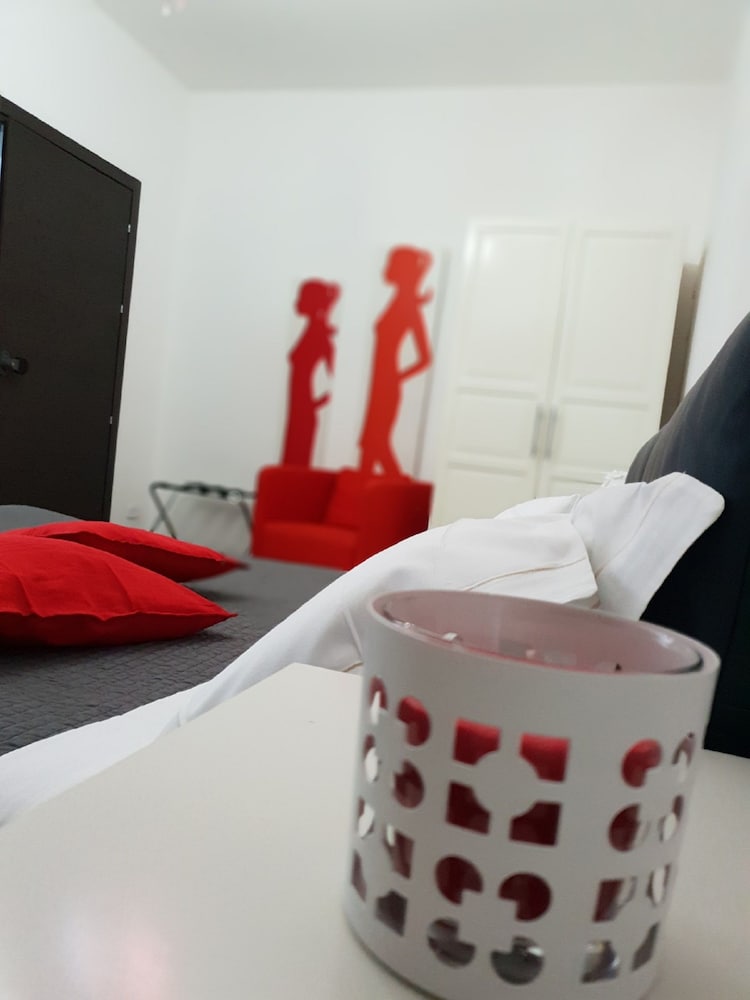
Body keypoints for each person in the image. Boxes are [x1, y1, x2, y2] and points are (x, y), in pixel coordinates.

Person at [358, 246, 433, 475]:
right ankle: (363, 490)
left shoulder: (408, 306)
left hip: (386, 384)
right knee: (369, 444)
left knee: (376, 443)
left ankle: (400, 487)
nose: (386, 268)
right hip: (378, 383)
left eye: (391, 264)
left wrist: (397, 377)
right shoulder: (399, 301)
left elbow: (425, 358)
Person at [281, 279, 341, 466]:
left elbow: (337, 377)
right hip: (297, 409)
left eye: (302, 298)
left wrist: (314, 405)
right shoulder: (312, 329)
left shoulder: (320, 334)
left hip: (303, 412)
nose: (297, 302)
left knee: (295, 464)